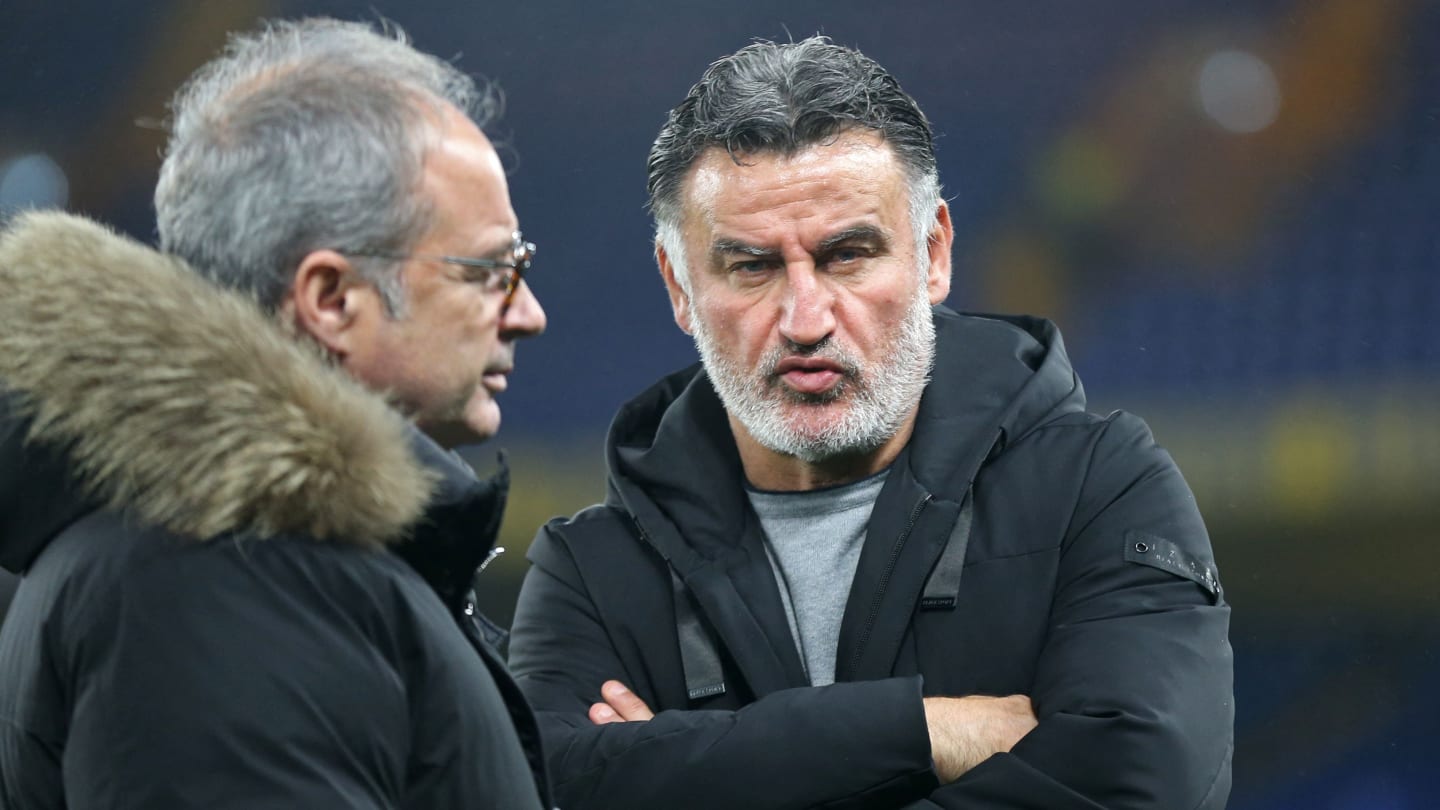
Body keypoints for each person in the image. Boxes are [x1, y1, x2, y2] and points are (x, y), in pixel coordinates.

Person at [507, 36, 1233, 809]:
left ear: (934, 253)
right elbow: (541, 789)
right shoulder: (594, 571)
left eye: (847, 255)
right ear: (679, 287)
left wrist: (686, 774)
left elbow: (1140, 783)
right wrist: (921, 731)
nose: (805, 319)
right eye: (751, 266)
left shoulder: (1100, 488)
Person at [0, 18, 553, 808]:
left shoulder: (245, 557)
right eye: (491, 270)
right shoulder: (228, 576)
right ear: (330, 299)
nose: (528, 314)